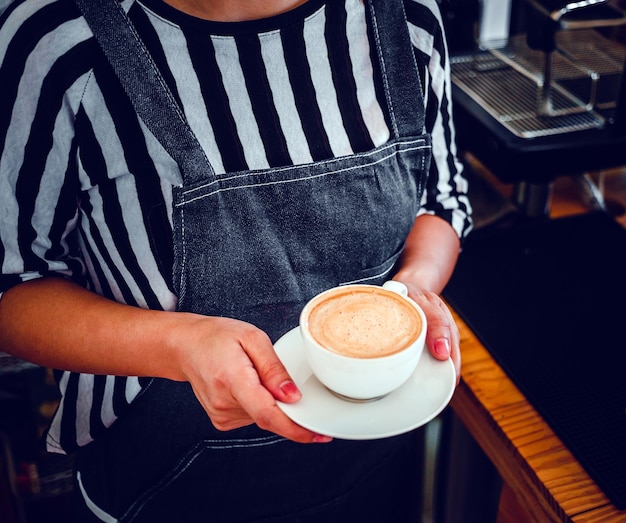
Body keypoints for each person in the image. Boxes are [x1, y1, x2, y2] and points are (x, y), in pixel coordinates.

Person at [0, 0, 472, 520]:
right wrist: (178, 347)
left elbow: (441, 201)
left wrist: (409, 291)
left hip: (373, 482)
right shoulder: (56, 42)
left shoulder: (406, 17)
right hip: (161, 492)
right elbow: (12, 287)